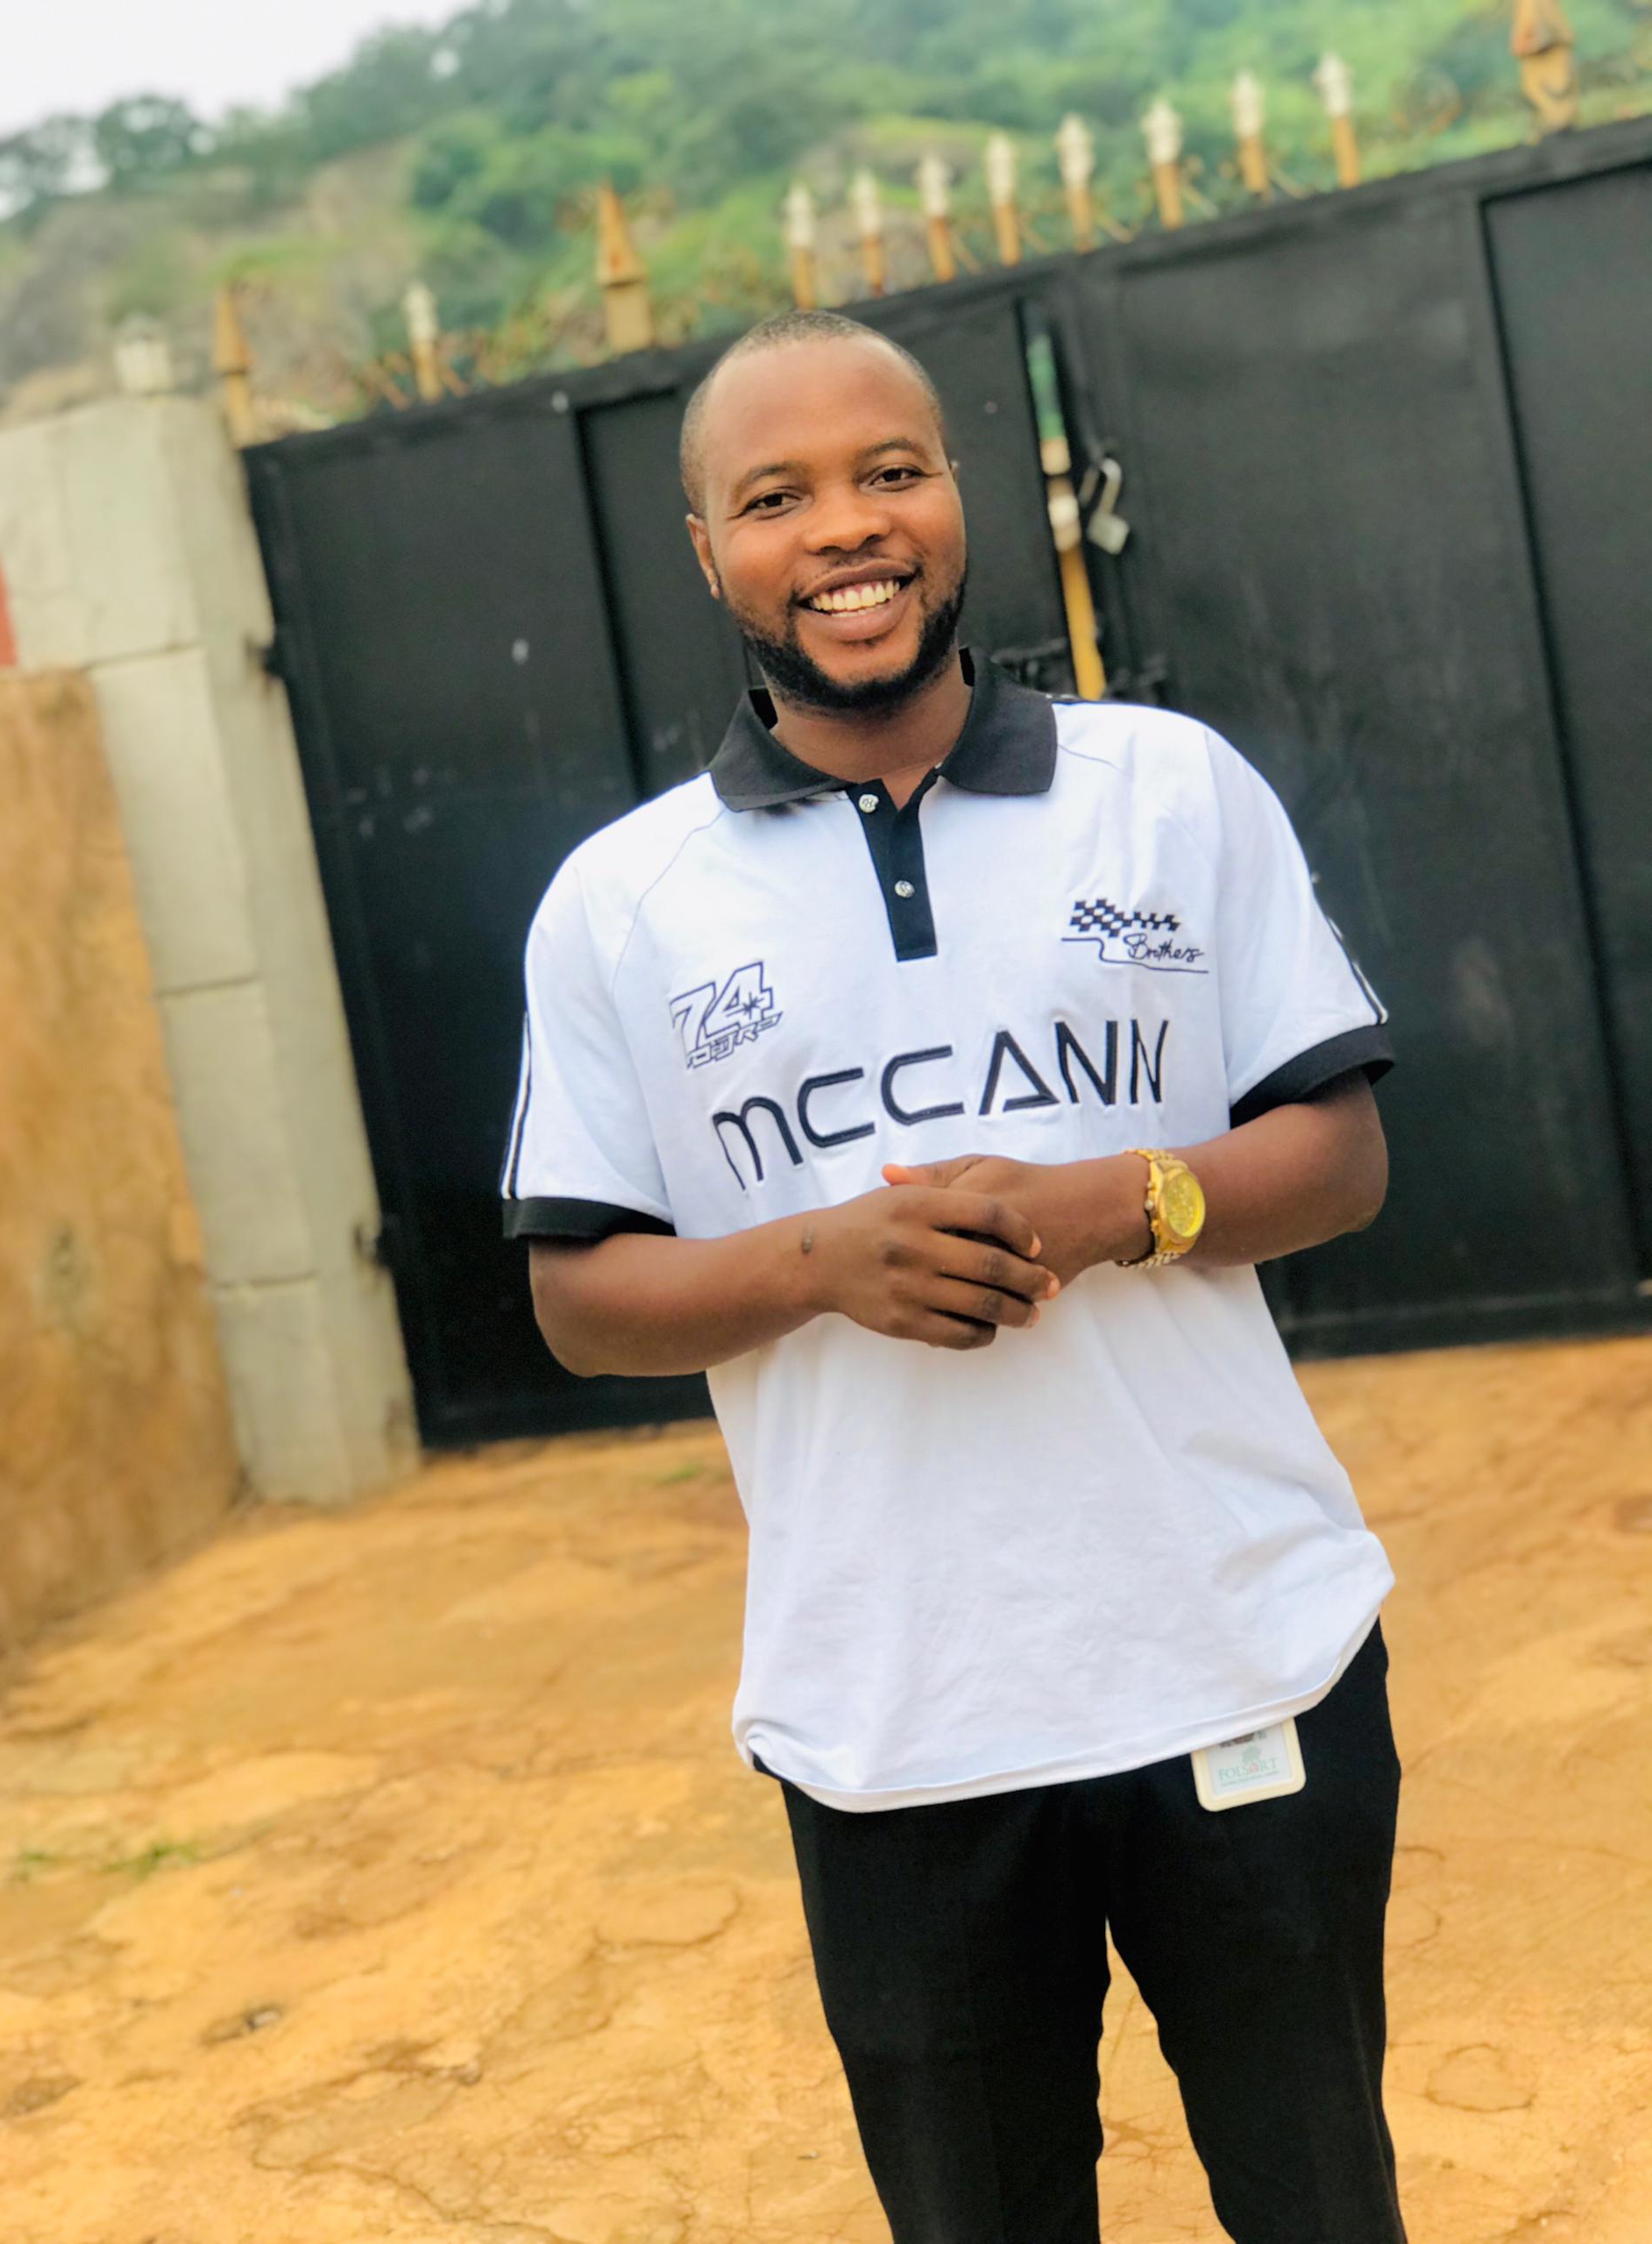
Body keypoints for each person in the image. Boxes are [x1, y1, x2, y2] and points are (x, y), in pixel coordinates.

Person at [500, 308, 1406, 2244]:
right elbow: (580, 1296)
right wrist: (822, 1260)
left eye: (891, 471)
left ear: (957, 498)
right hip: (897, 1720)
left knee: (1323, 2200)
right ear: (709, 552)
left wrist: (1116, 1202)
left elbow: (1339, 1154)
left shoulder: (1165, 787)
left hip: (1239, 1653)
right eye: (778, 497)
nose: (848, 527)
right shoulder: (625, 905)